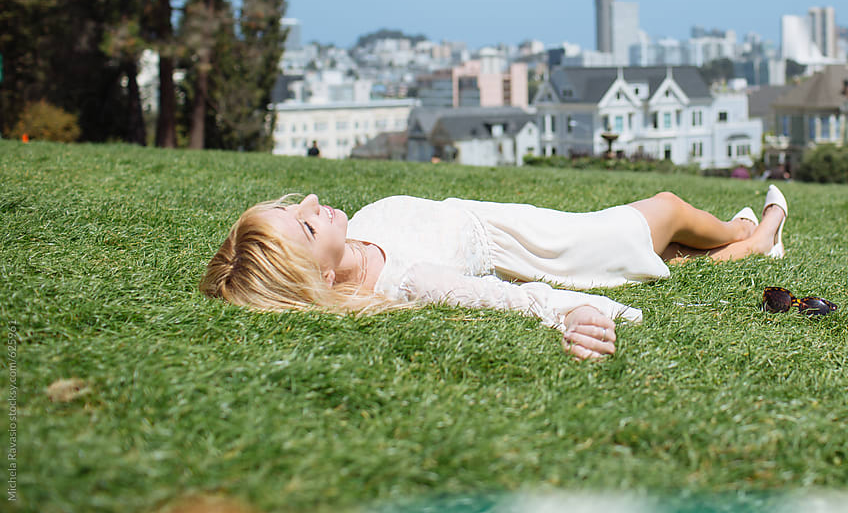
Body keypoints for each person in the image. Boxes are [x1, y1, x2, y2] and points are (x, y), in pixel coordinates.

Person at [201, 186, 788, 360]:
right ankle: (753, 237)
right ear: (322, 282)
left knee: (670, 249)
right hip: (542, 246)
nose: (309, 202)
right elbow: (497, 297)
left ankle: (736, 243)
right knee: (666, 210)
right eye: (304, 227)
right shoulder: (410, 278)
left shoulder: (355, 241)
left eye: (291, 208)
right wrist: (572, 311)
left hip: (517, 223)